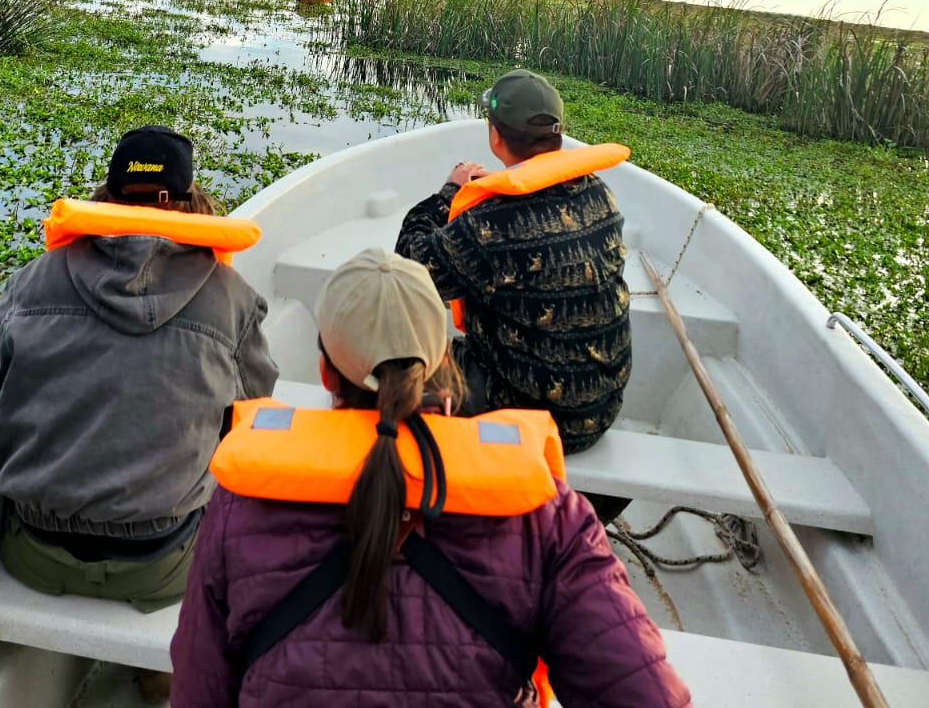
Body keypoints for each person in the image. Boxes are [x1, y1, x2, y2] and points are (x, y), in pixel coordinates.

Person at [169, 248, 689, 708]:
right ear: (442, 359)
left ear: (325, 372)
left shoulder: (238, 508)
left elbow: (199, 690)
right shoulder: (548, 518)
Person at [0, 125, 278, 697]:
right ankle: (162, 676)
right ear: (179, 200)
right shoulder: (232, 297)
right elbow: (253, 422)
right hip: (160, 566)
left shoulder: (33, 281)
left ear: (108, 192)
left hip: (35, 553)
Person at [395, 70, 631, 460]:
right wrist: (504, 185)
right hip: (597, 412)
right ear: (558, 133)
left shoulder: (491, 223)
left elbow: (409, 270)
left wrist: (449, 194)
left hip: (522, 412)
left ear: (494, 136)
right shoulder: (599, 195)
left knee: (396, 350)